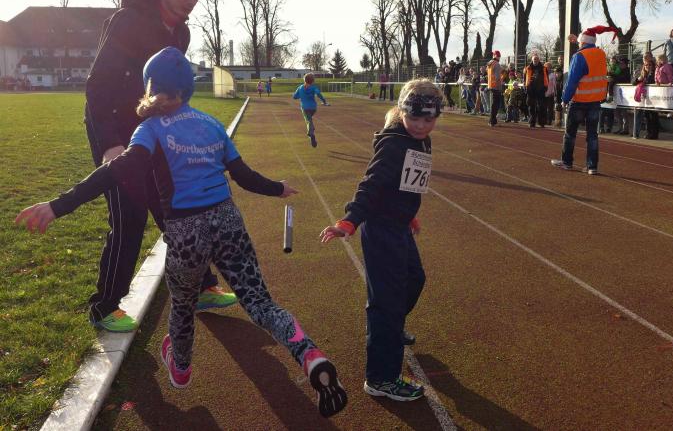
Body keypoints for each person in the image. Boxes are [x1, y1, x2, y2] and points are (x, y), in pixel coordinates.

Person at [15, 48, 348, 417]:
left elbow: (115, 171)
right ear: (188, 87)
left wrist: (58, 206)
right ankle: (308, 353)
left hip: (186, 231)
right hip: (228, 221)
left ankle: (182, 368)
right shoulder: (212, 124)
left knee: (184, 305)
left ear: (149, 86)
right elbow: (243, 176)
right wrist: (277, 188)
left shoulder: (150, 129)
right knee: (261, 304)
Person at [82, 0, 234, 332]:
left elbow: (170, 87)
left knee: (177, 208)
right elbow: (97, 87)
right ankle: (104, 307)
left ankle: (202, 286)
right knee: (130, 215)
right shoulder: (128, 20)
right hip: (115, 130)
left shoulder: (181, 34)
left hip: (155, 131)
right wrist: (110, 144)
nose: (191, 0)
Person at [319, 79, 443, 402]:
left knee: (415, 279)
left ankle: (391, 326)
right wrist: (349, 221)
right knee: (386, 303)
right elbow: (371, 185)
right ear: (402, 112)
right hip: (381, 229)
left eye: (428, 119)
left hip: (398, 224)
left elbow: (407, 186)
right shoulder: (394, 145)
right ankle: (381, 378)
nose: (420, 125)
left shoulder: (421, 141)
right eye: (414, 118)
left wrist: (409, 214)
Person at [551, 26, 617, 175]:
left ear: (582, 41)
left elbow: (572, 81)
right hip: (595, 101)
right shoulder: (601, 54)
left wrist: (564, 99)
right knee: (592, 135)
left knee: (570, 133)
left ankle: (567, 162)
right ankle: (592, 166)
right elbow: (589, 54)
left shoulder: (579, 56)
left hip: (579, 100)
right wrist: (578, 40)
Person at [293, 74, 329, 148]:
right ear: (312, 81)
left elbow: (295, 96)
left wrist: (302, 96)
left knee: (308, 121)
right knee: (309, 119)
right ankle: (311, 129)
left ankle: (311, 133)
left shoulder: (300, 87)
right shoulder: (313, 87)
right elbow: (318, 94)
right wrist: (324, 102)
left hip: (305, 108)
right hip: (313, 108)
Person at [524, 53, 548, 128]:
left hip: (540, 90)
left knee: (541, 107)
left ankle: (541, 122)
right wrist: (526, 88)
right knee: (531, 107)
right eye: (534, 59)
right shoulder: (528, 68)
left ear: (539, 60)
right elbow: (524, 79)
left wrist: (545, 87)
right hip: (531, 90)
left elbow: (546, 78)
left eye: (537, 59)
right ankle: (532, 122)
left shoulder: (544, 68)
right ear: (532, 60)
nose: (536, 60)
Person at [486, 51, 504, 126]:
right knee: (496, 104)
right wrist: (500, 87)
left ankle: (493, 120)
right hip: (496, 86)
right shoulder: (497, 64)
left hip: (490, 85)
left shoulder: (490, 64)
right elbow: (497, 78)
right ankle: (492, 121)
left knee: (494, 104)